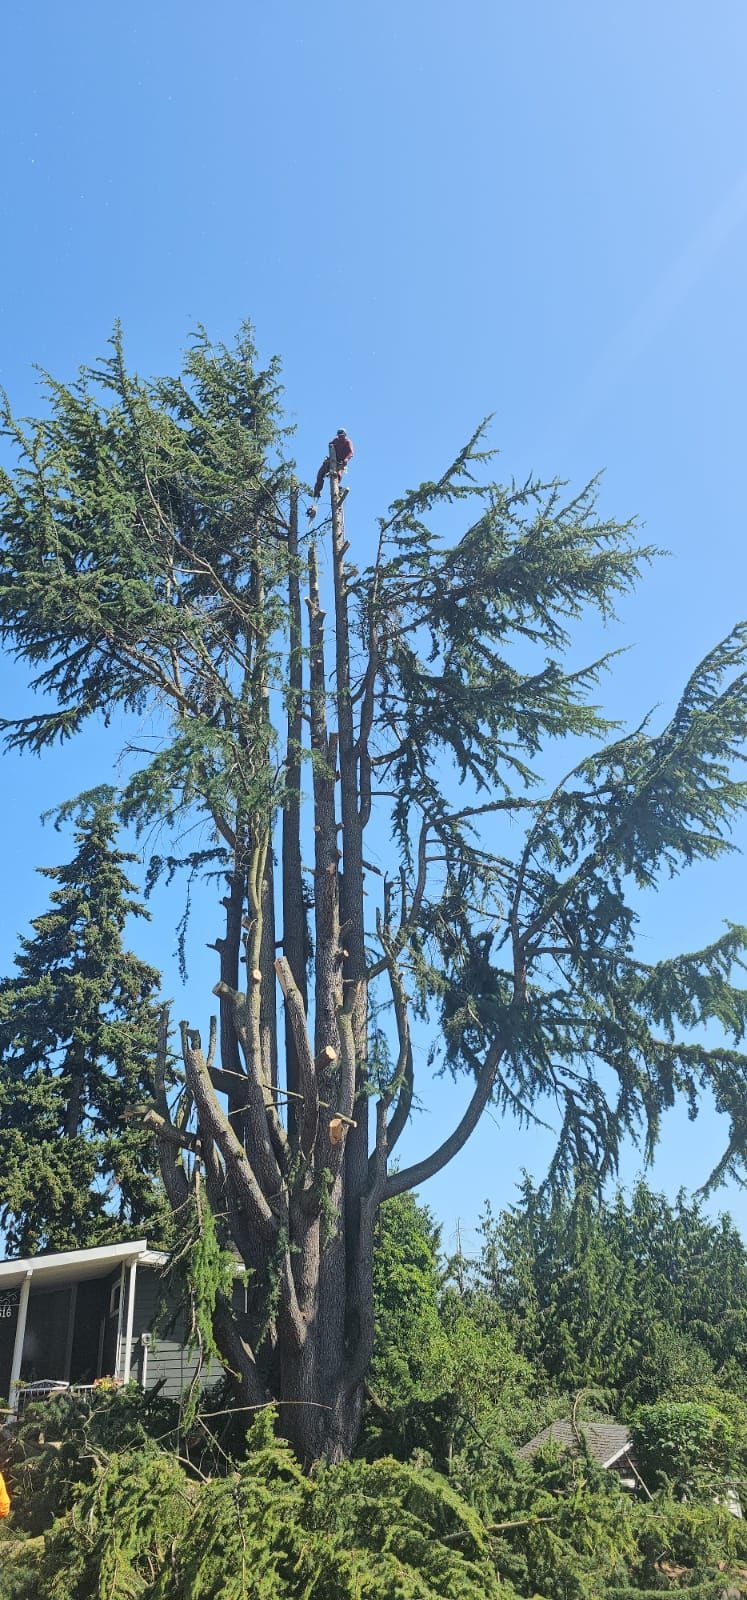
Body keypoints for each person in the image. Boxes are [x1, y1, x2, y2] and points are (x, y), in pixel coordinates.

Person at [311, 430, 354, 503]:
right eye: (339, 436)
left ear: (345, 435)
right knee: (320, 474)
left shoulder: (348, 442)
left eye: (342, 436)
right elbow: (330, 444)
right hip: (331, 460)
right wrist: (331, 447)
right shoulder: (335, 440)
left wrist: (346, 459)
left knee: (338, 476)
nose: (340, 437)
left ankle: (337, 491)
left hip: (340, 463)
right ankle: (317, 491)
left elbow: (351, 453)